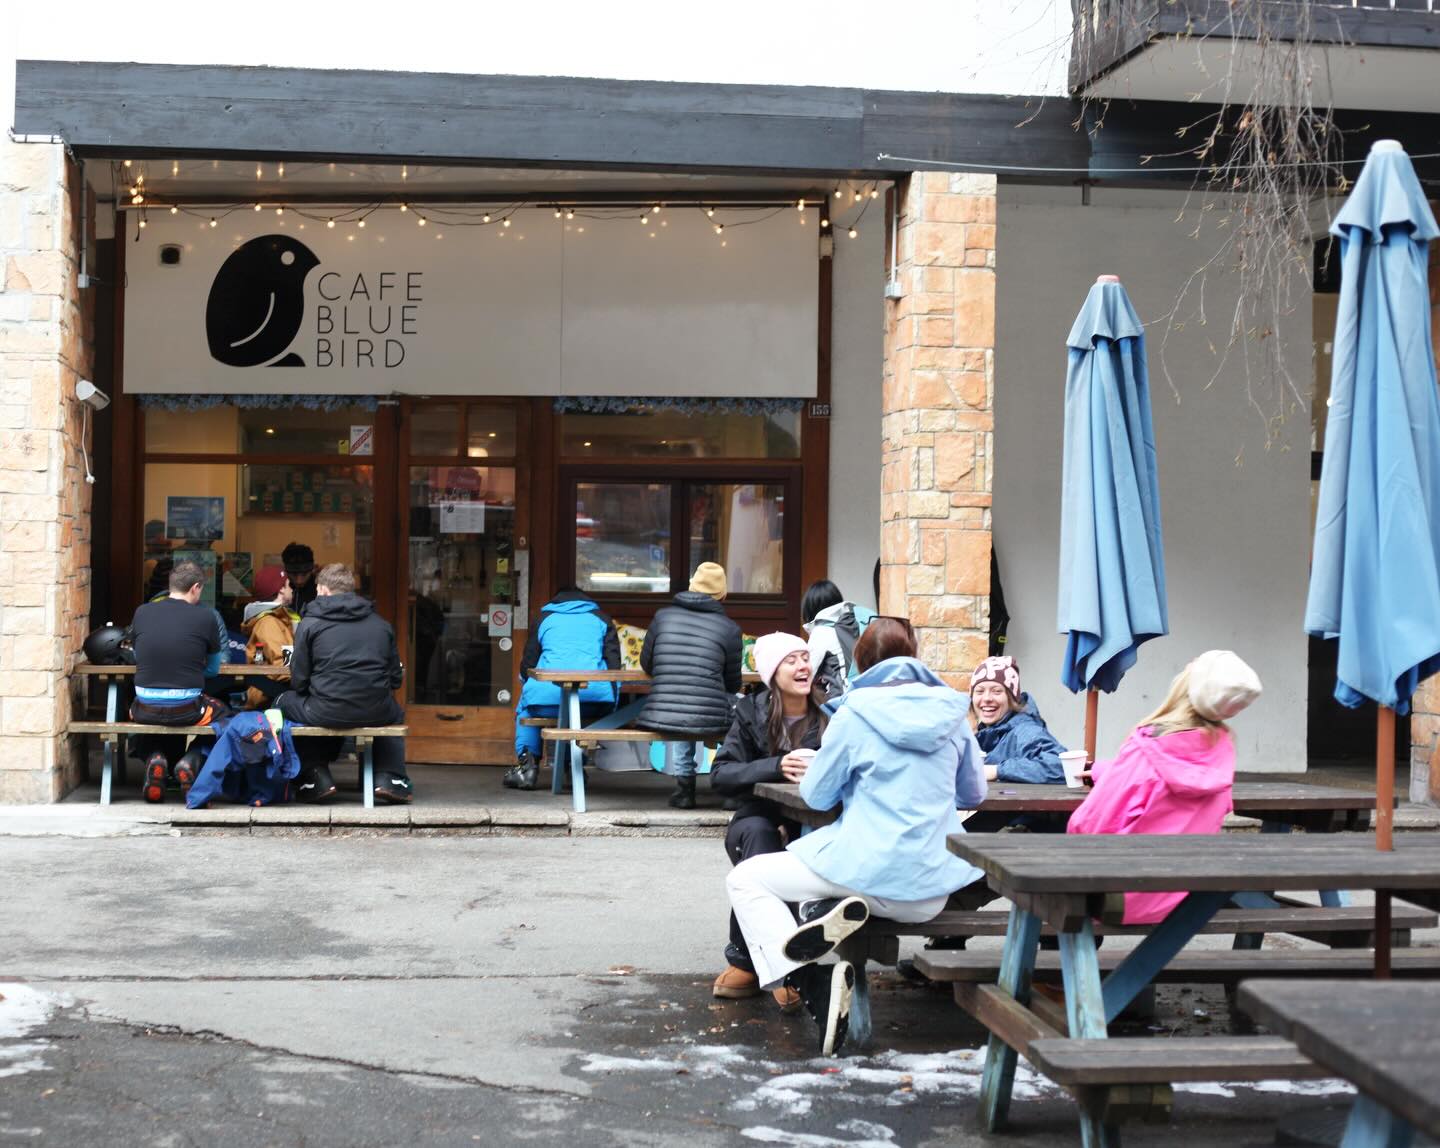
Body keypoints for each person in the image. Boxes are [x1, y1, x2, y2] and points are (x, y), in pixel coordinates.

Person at [724, 617, 990, 1056]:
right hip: (929, 891)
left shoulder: (853, 714)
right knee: (826, 880)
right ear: (915, 657)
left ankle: (808, 979)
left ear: (862, 662)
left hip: (867, 873)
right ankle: (822, 910)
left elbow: (816, 793)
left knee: (747, 880)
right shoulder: (953, 714)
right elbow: (973, 792)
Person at [1068, 650, 1262, 924]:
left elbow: (1089, 825)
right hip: (1185, 899)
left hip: (1121, 899)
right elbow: (1166, 784)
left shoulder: (1146, 749)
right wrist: (1108, 771)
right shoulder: (1221, 752)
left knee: (1037, 879)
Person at [710, 632, 828, 1012]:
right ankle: (761, 966)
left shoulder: (833, 713)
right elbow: (721, 775)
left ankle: (764, 963)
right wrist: (776, 766)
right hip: (757, 815)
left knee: (800, 847)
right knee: (762, 842)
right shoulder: (750, 712)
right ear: (773, 671)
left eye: (805, 658)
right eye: (792, 660)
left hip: (817, 819)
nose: (803, 667)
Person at [276, 563, 412, 804]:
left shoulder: (310, 624)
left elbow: (299, 682)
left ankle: (314, 775)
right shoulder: (381, 625)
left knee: (284, 701)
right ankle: (389, 778)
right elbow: (395, 679)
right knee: (395, 712)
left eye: (318, 591)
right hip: (376, 710)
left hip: (325, 710)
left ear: (324, 590)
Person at [637, 562, 743, 810]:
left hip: (662, 711)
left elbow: (646, 663)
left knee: (685, 705)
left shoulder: (662, 618)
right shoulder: (729, 629)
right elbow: (732, 684)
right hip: (707, 712)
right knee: (739, 710)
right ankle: (728, 786)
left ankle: (685, 788)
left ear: (691, 586)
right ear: (723, 595)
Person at [127, 560, 228, 803]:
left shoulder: (142, 611)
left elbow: (138, 656)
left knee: (129, 711)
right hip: (188, 708)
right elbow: (213, 669)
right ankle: (191, 760)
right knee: (226, 717)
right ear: (195, 588)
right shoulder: (206, 616)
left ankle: (155, 757)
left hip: (144, 707)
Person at [507, 587, 622, 790]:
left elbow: (528, 665)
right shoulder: (602, 619)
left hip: (546, 701)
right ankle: (572, 766)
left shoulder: (545, 618)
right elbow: (614, 665)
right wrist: (613, 698)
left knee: (526, 706)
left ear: (555, 601)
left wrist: (526, 683)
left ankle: (527, 767)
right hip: (594, 702)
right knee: (572, 713)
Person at [968, 655, 1067, 784]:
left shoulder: (1026, 731)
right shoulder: (984, 733)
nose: (986, 698)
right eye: (979, 692)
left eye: (996, 691)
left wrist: (997, 770)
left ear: (1012, 699)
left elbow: (1061, 766)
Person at [802, 580, 875, 700]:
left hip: (840, 703)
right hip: (869, 696)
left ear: (809, 608)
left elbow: (807, 676)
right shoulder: (856, 623)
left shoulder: (821, 632)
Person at [241, 566, 297, 709]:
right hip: (270, 699)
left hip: (271, 696)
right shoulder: (269, 623)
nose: (292, 589)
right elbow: (283, 667)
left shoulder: (275, 620)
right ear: (281, 590)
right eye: (289, 585)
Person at [282, 541, 318, 616]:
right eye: (294, 575)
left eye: (304, 574)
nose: (299, 581)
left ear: (312, 570)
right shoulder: (280, 589)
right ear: (286, 571)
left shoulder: (321, 591)